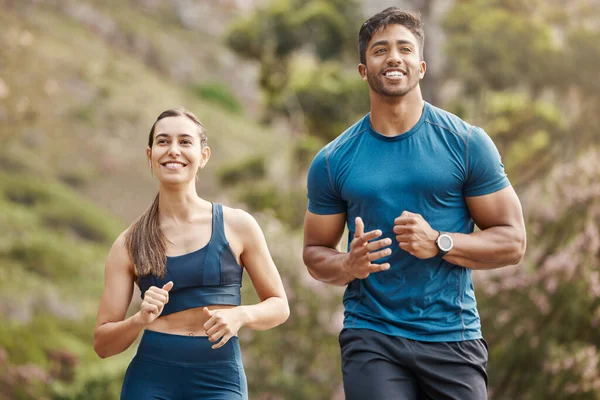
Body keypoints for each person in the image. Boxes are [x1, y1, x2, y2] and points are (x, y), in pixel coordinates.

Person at [303, 8, 526, 400]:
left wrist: (441, 241)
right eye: (380, 50)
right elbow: (314, 252)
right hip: (372, 334)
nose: (393, 57)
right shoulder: (332, 160)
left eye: (404, 48)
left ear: (420, 67)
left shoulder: (467, 143)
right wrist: (347, 265)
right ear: (362, 69)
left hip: (451, 334)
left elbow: (513, 242)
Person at [94, 108, 290, 400]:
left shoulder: (238, 225)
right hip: (151, 379)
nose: (173, 150)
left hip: (220, 378)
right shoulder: (128, 244)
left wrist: (240, 315)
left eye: (185, 142)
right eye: (163, 142)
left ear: (204, 155)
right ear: (150, 155)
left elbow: (279, 306)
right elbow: (102, 344)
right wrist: (139, 319)